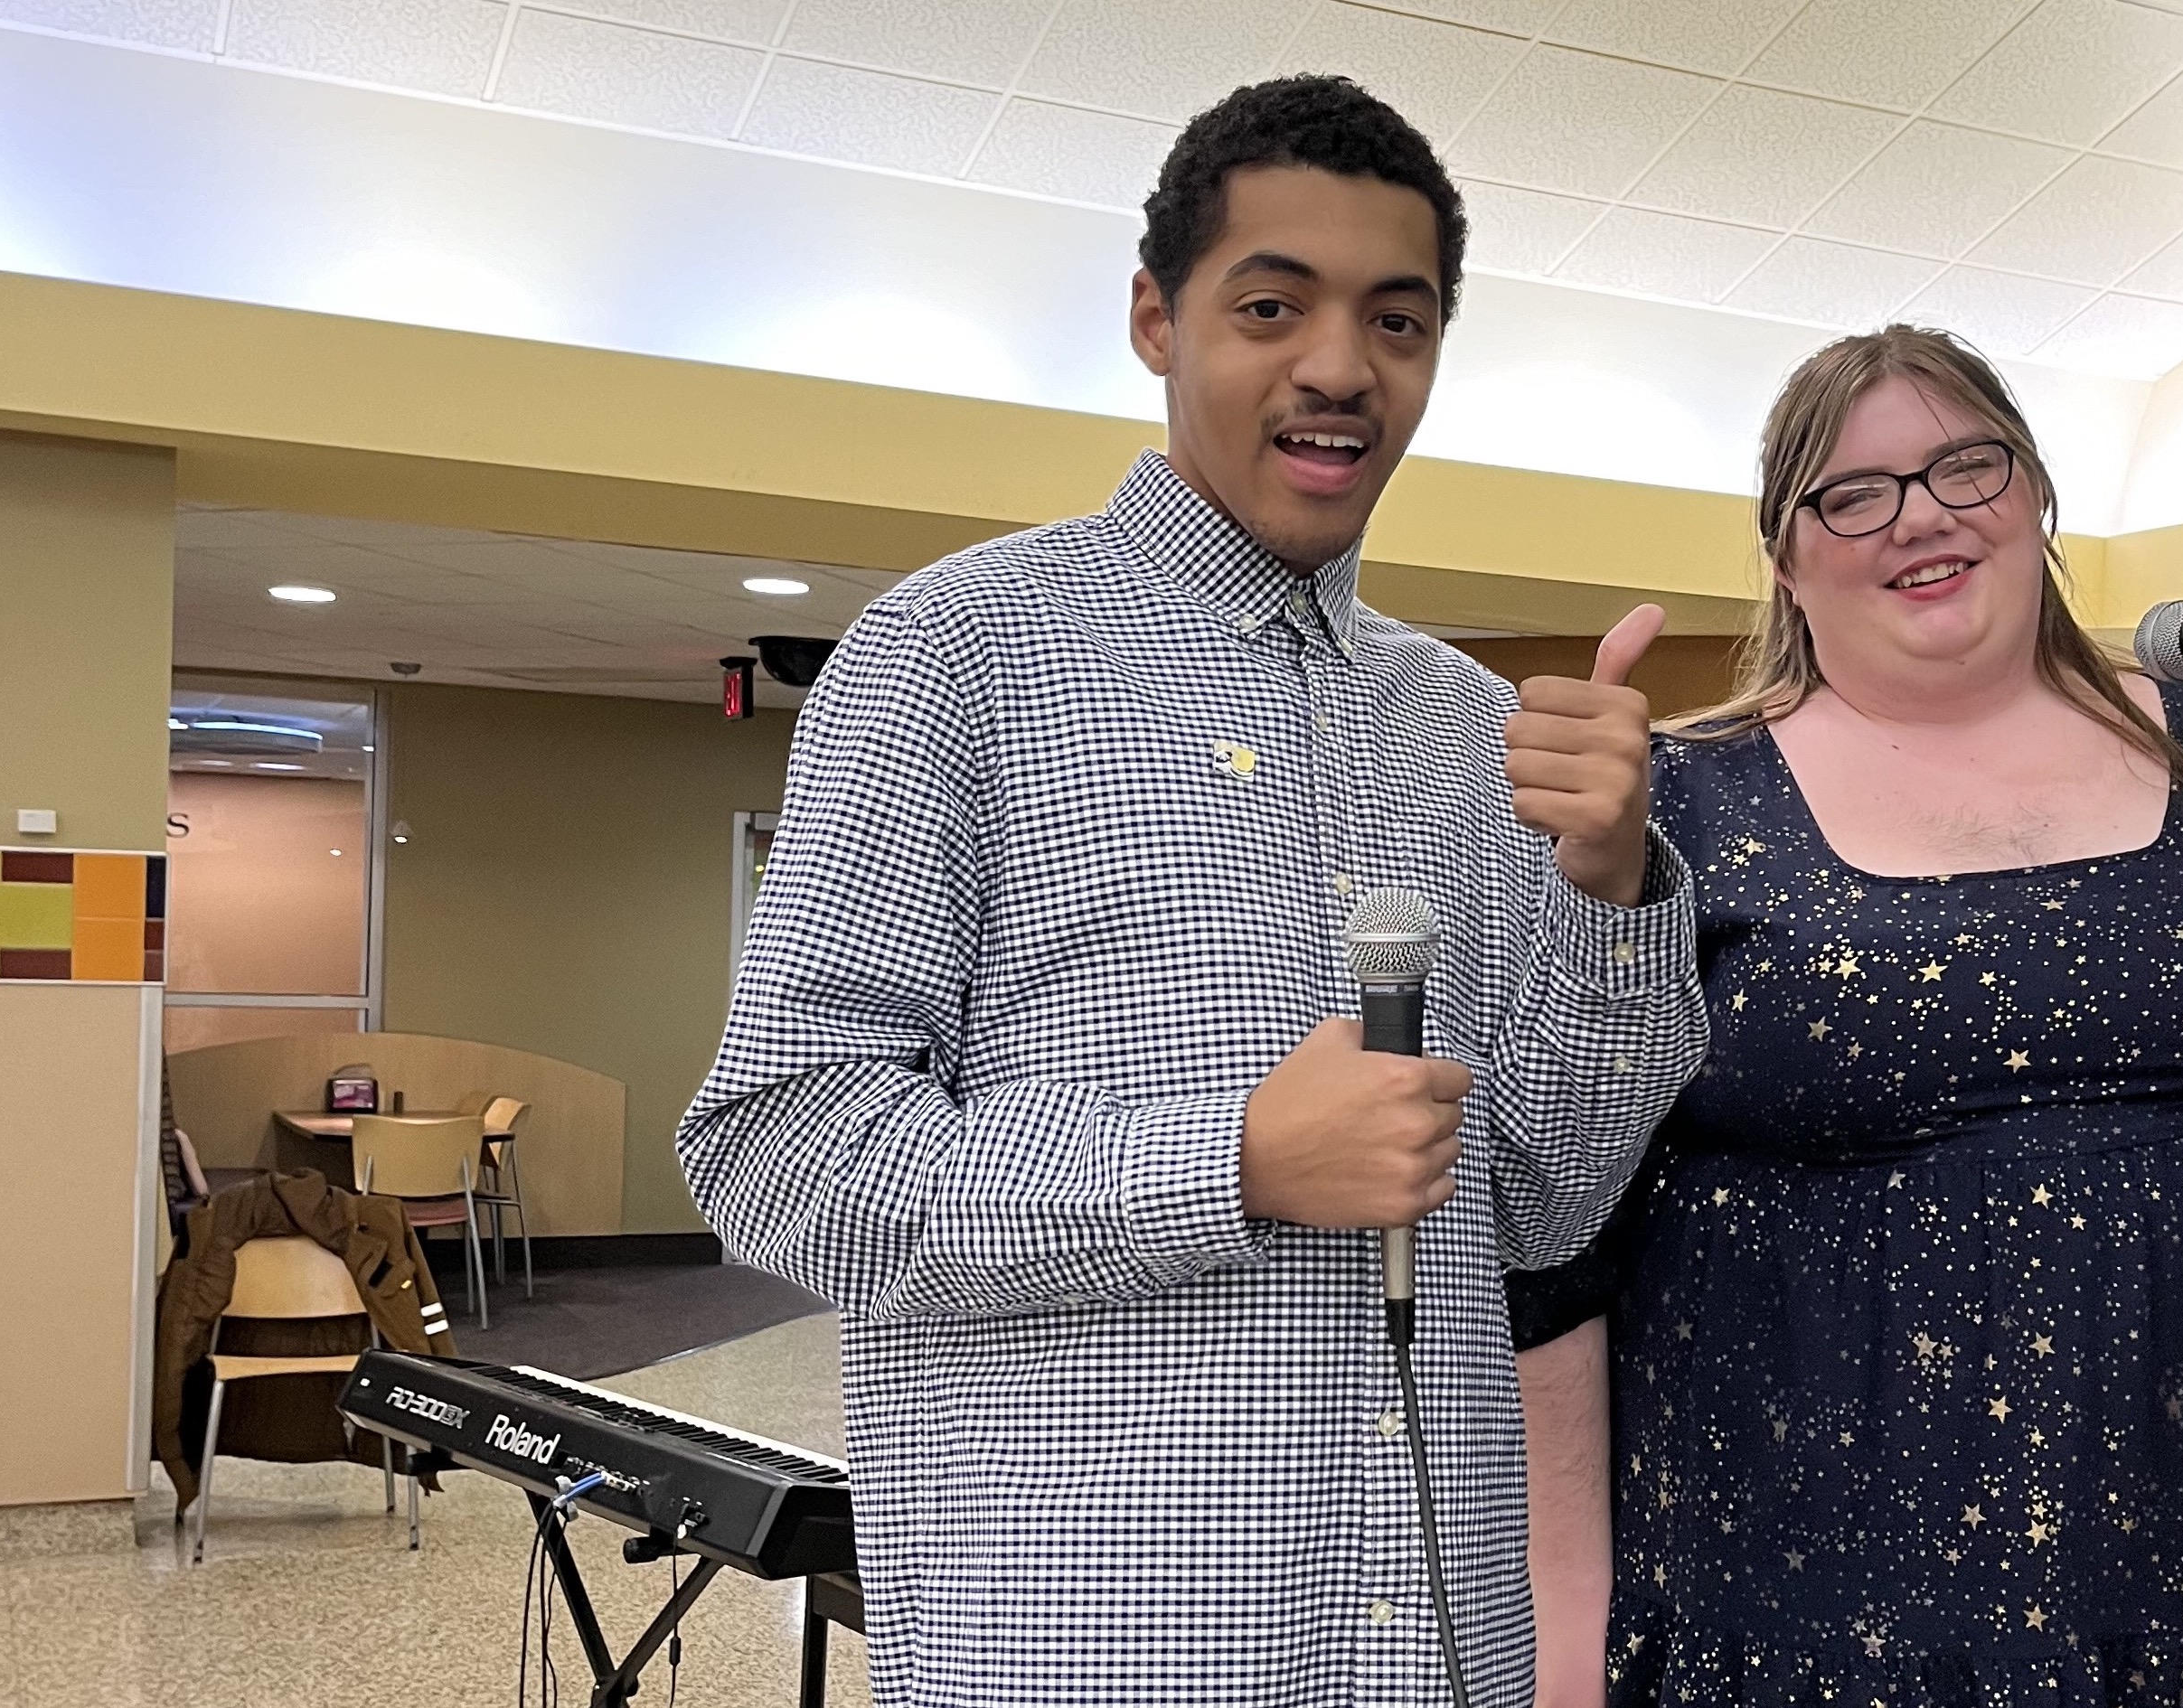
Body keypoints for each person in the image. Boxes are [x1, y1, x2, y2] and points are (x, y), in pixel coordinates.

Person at [677, 76, 1709, 1707]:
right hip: (1093, 1641)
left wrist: (1608, 890)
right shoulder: (955, 656)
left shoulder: (1463, 723)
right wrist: (1226, 1162)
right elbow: (779, 1149)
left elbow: (1544, 1202)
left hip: (1425, 1640)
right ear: (1157, 321)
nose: (1337, 367)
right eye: (1271, 304)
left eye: (1397, 319)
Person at [1511, 326, 2183, 1706]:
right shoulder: (1677, 804)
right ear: (1784, 556)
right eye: (1851, 491)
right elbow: (1555, 1240)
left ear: (2034, 496)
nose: (1922, 513)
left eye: (1964, 466)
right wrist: (1565, 1633)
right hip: (1803, 1612)